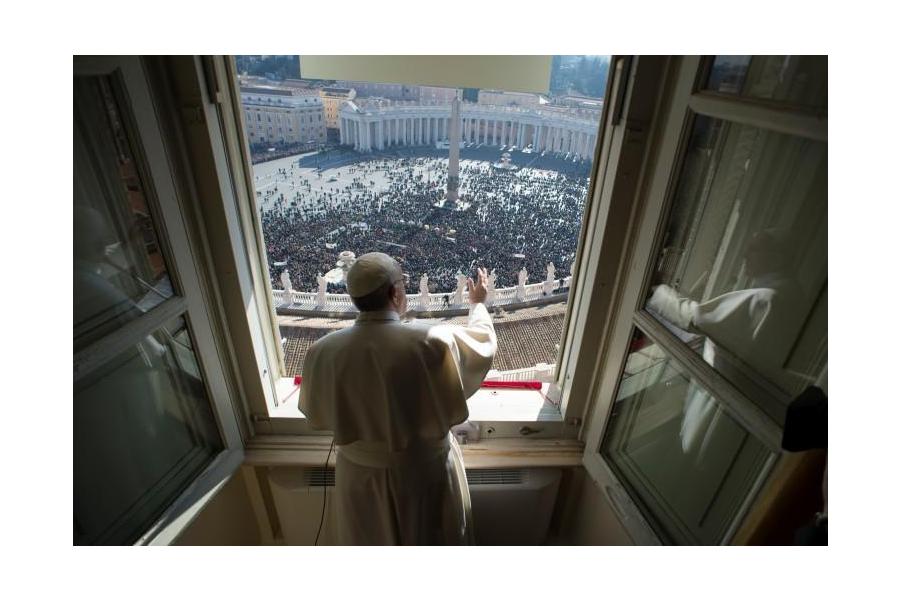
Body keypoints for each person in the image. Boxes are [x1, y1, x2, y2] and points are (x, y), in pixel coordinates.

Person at [299, 252, 497, 545]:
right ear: (395, 292)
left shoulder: (322, 352)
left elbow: (316, 414)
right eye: (403, 283)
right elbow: (483, 344)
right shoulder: (433, 339)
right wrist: (478, 304)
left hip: (359, 479)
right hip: (425, 475)